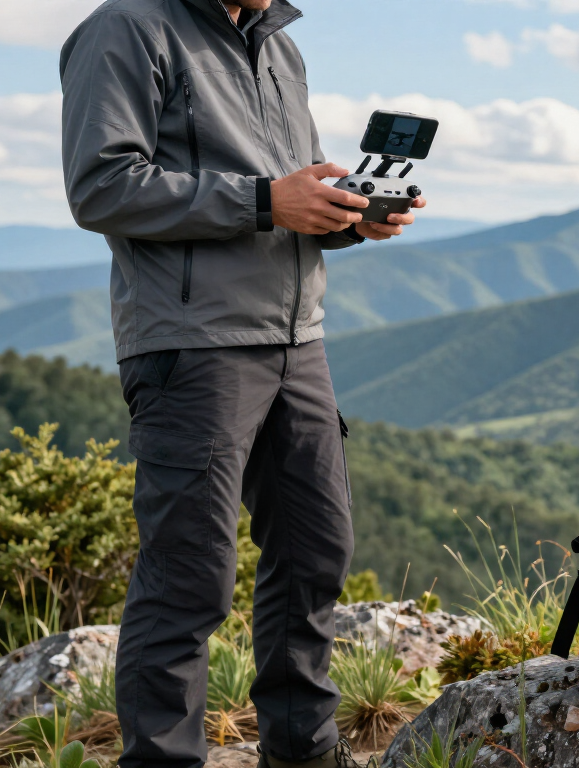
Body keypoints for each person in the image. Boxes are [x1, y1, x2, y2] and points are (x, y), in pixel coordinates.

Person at [59, 2, 423, 766]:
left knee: (317, 550)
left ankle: (304, 752)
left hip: (298, 337)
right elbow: (101, 186)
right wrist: (263, 199)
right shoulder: (128, 27)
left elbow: (291, 198)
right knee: (190, 575)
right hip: (192, 346)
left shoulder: (280, 50)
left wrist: (350, 216)